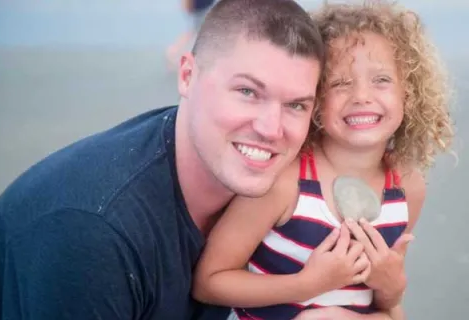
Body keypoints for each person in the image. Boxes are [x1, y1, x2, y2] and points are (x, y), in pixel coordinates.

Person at [0, 0, 325, 319]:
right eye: (247, 92)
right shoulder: (96, 234)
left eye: (296, 105)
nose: (271, 129)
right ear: (187, 76)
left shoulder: (278, 188)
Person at [192, 1, 454, 319]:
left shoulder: (407, 186)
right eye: (340, 83)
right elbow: (209, 282)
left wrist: (392, 286)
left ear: (408, 93)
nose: (362, 96)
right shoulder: (287, 183)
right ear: (314, 100)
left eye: (381, 80)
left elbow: (386, 304)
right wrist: (306, 285)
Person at [166, 0, 216, 69]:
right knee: (192, 33)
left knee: (193, 33)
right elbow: (186, 5)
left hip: (203, 9)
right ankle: (173, 53)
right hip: (199, 11)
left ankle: (173, 52)